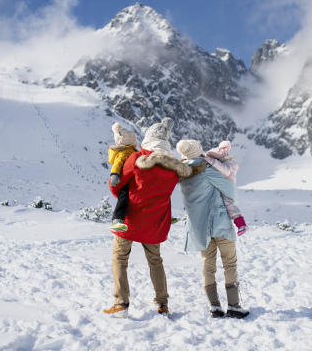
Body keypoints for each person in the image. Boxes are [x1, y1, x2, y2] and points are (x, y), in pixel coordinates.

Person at [103, 118, 202, 318]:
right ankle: (162, 304)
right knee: (155, 261)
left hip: (130, 219)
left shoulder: (137, 159)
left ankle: (121, 302)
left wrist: (124, 197)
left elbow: (117, 185)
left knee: (120, 258)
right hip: (156, 223)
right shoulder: (174, 169)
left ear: (148, 139)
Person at [176, 139, 250, 319]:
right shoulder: (207, 170)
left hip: (199, 229)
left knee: (208, 266)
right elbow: (229, 189)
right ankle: (234, 306)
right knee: (229, 264)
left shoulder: (181, 175)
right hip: (220, 224)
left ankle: (214, 306)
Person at [203, 141, 249, 236]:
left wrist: (213, 163)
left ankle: (242, 224)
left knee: (228, 204)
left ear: (218, 158)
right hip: (223, 187)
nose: (211, 161)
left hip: (227, 189)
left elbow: (226, 172)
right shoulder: (222, 164)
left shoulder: (229, 164)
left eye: (213, 158)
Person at [107, 122, 138, 233]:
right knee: (123, 198)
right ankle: (116, 220)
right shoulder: (124, 153)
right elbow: (117, 164)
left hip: (135, 180)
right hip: (126, 182)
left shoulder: (133, 151)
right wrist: (114, 175)